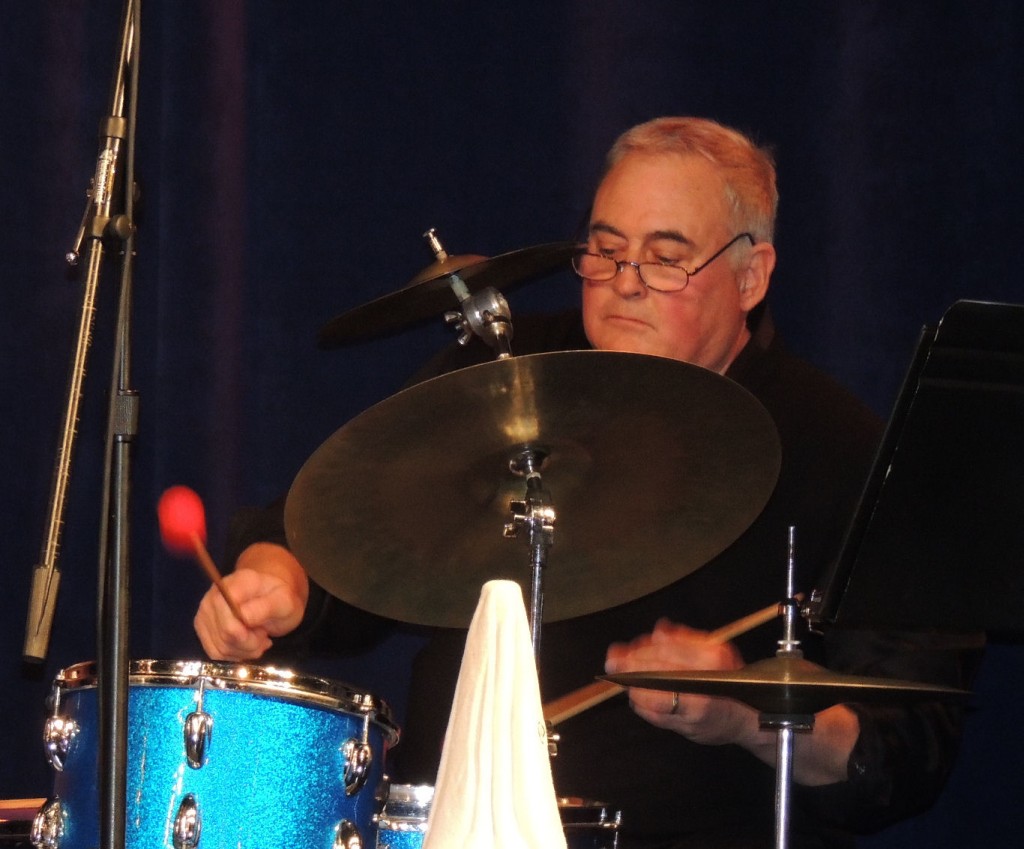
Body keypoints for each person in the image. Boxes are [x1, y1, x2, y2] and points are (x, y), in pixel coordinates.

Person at [194, 117, 979, 848]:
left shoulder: (845, 451)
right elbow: (344, 533)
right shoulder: (507, 378)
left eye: (667, 257)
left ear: (752, 274)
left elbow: (901, 754)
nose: (624, 281)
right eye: (604, 249)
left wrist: (746, 712)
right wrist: (282, 575)